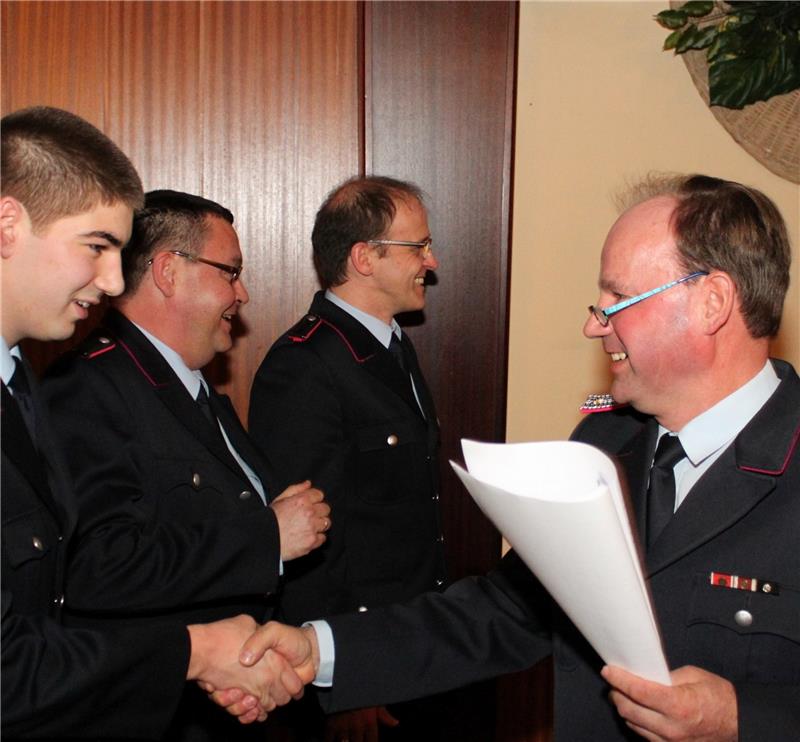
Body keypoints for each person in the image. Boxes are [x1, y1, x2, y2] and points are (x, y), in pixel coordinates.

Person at [238, 174, 799, 741]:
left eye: (617, 299)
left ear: (712, 303)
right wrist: (318, 647)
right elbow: (502, 613)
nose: (592, 324)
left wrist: (741, 718)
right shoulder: (602, 447)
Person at [0, 106, 305, 738]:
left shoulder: (18, 381)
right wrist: (196, 652)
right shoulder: (82, 385)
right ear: (8, 225)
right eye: (96, 247)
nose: (113, 282)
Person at [248, 175, 447, 740]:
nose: (430, 262)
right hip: (361, 659)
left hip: (414, 641)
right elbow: (305, 542)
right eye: (419, 247)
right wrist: (344, 681)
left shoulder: (392, 345)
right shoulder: (305, 366)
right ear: (365, 257)